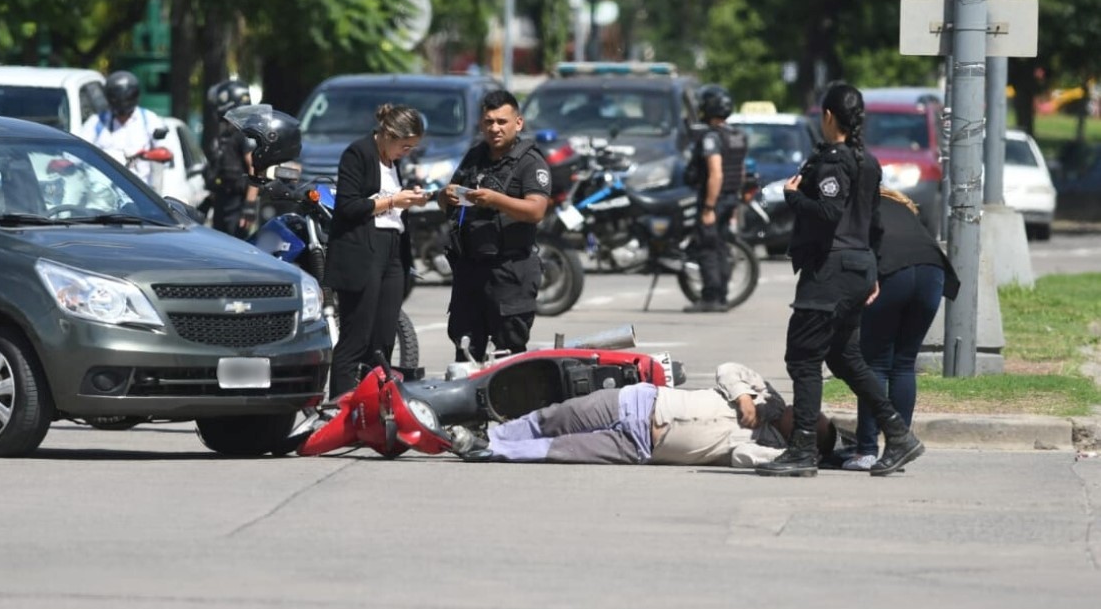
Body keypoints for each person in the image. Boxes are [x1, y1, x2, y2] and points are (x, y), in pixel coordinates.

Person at [756, 82, 924, 478]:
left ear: (829, 116)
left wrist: (792, 196)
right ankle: (898, 433)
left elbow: (828, 212)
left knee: (803, 357)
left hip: (830, 272)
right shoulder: (867, 162)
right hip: (858, 268)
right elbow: (876, 224)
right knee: (844, 358)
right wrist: (874, 273)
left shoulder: (833, 162)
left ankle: (802, 450)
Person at [448, 363, 837, 467]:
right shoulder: (764, 395)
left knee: (558, 448)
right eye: (808, 412)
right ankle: (491, 437)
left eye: (807, 424)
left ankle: (486, 450)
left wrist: (784, 455)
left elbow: (741, 456)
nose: (801, 415)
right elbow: (728, 369)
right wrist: (743, 398)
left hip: (640, 444)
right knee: (554, 417)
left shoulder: (765, 448)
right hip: (639, 403)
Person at [842, 187, 959, 470]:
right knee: (905, 363)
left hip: (893, 271)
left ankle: (867, 450)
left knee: (875, 364)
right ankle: (899, 446)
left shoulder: (853, 205)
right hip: (933, 271)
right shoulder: (901, 206)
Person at [321, 104, 430, 397]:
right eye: (405, 146)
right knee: (356, 336)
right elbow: (349, 206)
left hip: (393, 251)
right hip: (363, 251)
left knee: (383, 338)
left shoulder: (394, 163)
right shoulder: (358, 153)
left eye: (412, 148)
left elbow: (393, 204)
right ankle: (340, 405)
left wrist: (410, 200)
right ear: (388, 134)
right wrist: (394, 200)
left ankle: (373, 403)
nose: (406, 152)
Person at [438, 90, 550, 362]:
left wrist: (497, 200)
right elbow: (448, 202)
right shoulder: (475, 156)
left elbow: (536, 210)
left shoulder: (530, 162)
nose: (495, 128)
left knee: (508, 353)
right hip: (470, 269)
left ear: (518, 123)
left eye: (502, 121)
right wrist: (446, 196)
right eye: (489, 122)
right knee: (465, 349)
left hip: (510, 271)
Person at [683, 84, 749, 313]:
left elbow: (716, 173)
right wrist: (734, 200)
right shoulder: (737, 136)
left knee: (707, 248)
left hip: (715, 199)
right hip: (730, 198)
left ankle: (711, 297)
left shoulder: (711, 138)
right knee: (721, 246)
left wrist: (709, 207)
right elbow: (739, 172)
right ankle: (721, 295)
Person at [78, 70, 166, 189]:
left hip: (139, 191)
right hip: (104, 191)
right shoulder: (97, 122)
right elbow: (79, 151)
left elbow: (165, 153)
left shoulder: (148, 120)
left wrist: (142, 155)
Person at [202, 79, 259, 238]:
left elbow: (255, 168)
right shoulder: (225, 134)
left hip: (237, 204)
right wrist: (209, 201)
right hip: (222, 201)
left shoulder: (244, 134)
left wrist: (249, 204)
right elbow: (222, 170)